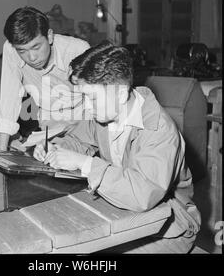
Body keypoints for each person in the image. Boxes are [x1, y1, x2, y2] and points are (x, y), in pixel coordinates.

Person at [33, 41, 201, 253]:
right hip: (126, 214)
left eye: (91, 98)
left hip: (171, 226)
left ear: (121, 94)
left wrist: (86, 164)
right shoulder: (105, 113)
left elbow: (142, 195)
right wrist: (55, 148)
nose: (86, 106)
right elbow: (79, 141)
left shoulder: (158, 129)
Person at [0, 6, 90, 151]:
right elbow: (9, 98)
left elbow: (98, 101)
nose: (32, 58)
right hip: (49, 125)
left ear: (50, 36)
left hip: (83, 121)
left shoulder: (77, 50)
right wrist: (0, 152)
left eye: (36, 47)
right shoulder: (11, 48)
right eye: (22, 51)